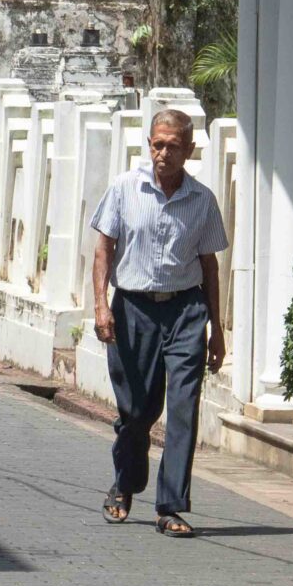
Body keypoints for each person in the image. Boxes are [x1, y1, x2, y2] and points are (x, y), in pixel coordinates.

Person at [90, 108, 227, 537]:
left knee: (183, 407)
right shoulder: (124, 188)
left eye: (172, 145)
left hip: (186, 311)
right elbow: (103, 252)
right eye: (157, 144)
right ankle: (126, 483)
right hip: (133, 309)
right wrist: (100, 306)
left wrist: (217, 330)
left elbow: (210, 266)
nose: (163, 152)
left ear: (189, 149)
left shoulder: (202, 200)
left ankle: (170, 505)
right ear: (149, 144)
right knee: (137, 411)